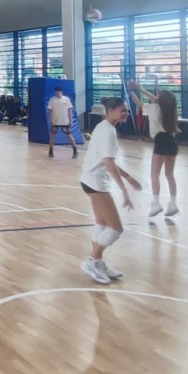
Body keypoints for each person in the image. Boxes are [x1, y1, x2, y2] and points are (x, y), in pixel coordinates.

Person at [78, 96, 141, 284]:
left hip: (89, 180)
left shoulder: (103, 127)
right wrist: (124, 191)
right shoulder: (108, 132)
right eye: (122, 110)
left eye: (127, 110)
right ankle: (91, 261)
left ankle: (97, 262)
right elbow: (109, 163)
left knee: (102, 224)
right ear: (111, 111)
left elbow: (107, 160)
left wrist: (128, 177)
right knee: (115, 229)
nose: (126, 114)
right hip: (96, 182)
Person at [129, 83, 181, 218]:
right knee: (170, 175)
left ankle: (156, 203)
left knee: (154, 175)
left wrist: (132, 92)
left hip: (160, 141)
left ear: (160, 99)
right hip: (172, 142)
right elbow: (157, 99)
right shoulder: (172, 110)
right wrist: (141, 89)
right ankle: (173, 203)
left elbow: (139, 104)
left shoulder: (154, 108)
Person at [46, 86, 78, 158]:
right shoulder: (52, 99)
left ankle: (75, 150)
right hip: (55, 122)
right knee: (52, 136)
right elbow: (50, 111)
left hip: (65, 121)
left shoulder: (66, 99)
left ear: (61, 92)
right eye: (56, 91)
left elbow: (69, 111)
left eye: (59, 91)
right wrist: (51, 120)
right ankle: (50, 150)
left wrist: (71, 120)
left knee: (69, 136)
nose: (57, 92)